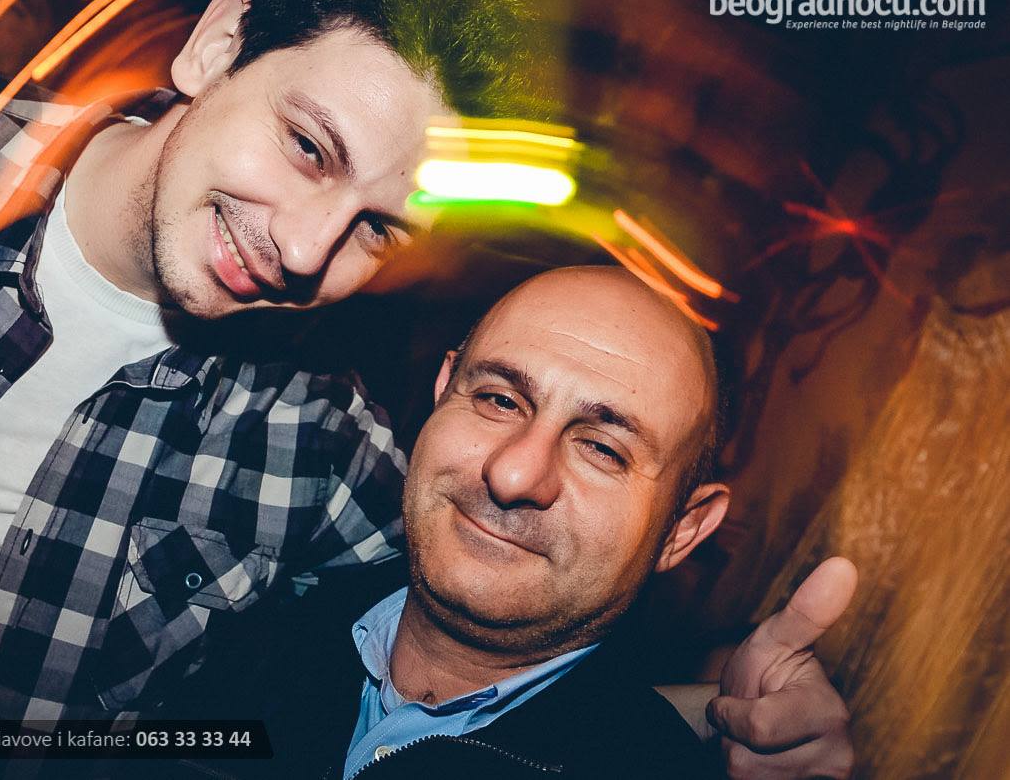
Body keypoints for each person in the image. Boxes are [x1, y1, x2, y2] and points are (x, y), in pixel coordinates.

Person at [0, 0, 847, 778]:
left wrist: (721, 718)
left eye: (377, 229)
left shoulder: (310, 443)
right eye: (308, 147)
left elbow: (498, 606)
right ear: (214, 48)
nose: (305, 250)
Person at [160, 266, 856, 779]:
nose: (515, 474)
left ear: (683, 529)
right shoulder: (229, 619)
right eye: (499, 399)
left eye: (602, 448)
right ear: (443, 393)